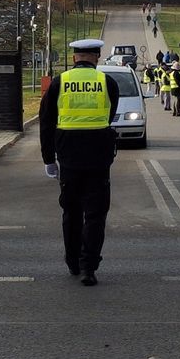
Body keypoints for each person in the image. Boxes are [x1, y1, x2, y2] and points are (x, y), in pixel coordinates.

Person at [39, 38, 120, 286]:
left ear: (75, 58)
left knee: (71, 211)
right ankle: (89, 267)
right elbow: (110, 113)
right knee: (95, 214)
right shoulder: (107, 82)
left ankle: (72, 261)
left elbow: (46, 122)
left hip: (68, 157)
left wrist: (48, 159)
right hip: (98, 158)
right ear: (96, 57)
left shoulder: (59, 82)